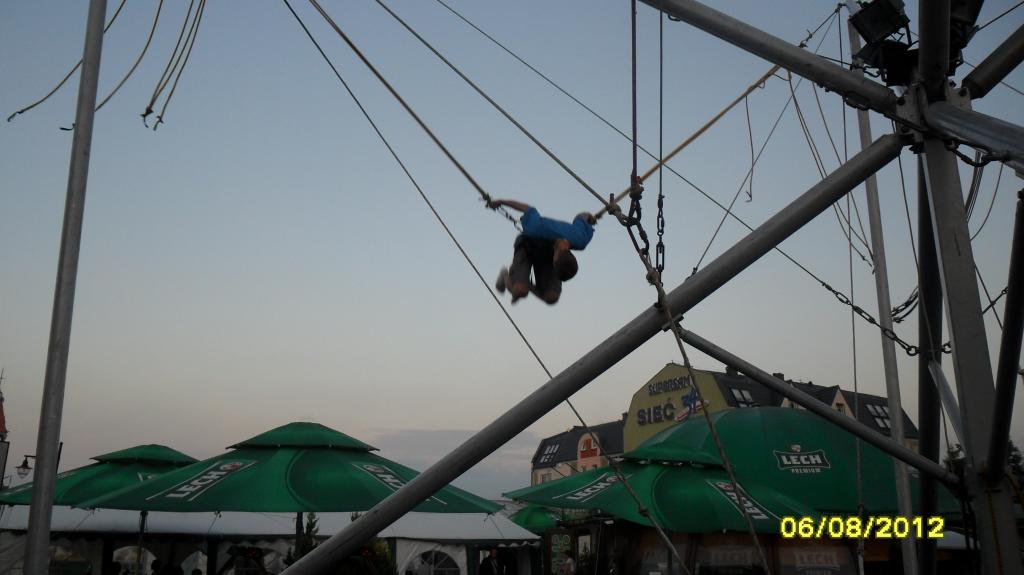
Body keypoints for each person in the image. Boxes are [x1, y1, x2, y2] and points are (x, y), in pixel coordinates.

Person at [489, 199, 596, 305]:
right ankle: (505, 275)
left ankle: (524, 283)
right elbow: (527, 208)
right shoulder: (536, 228)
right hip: (527, 246)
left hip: (547, 252)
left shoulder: (581, 240)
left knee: (552, 297)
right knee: (520, 291)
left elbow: (582, 215)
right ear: (555, 261)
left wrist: (590, 218)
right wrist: (501, 202)